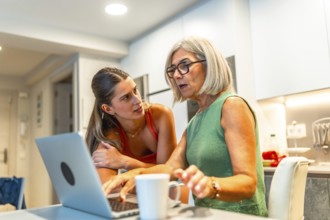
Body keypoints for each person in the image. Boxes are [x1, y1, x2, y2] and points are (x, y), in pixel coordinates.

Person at [102, 37, 268, 217]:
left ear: (209, 64)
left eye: (185, 65)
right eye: (173, 69)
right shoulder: (194, 123)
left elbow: (248, 182)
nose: (177, 75)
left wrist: (209, 185)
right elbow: (170, 169)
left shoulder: (232, 106)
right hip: (206, 214)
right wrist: (134, 174)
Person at [85, 67, 177, 184]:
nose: (137, 100)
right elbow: (107, 185)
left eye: (135, 90)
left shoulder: (161, 115)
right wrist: (151, 170)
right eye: (126, 97)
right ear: (108, 109)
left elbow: (170, 173)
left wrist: (125, 162)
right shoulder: (110, 135)